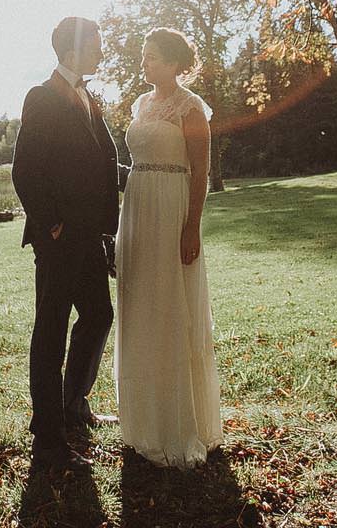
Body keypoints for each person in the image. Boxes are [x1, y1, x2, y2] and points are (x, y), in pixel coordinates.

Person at [11, 15, 125, 475]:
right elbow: (26, 172)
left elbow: (99, 165)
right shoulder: (41, 97)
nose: (102, 51)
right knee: (52, 328)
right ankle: (48, 435)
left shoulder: (88, 97)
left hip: (90, 236)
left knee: (99, 314)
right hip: (59, 239)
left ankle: (74, 402)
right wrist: (53, 224)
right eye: (97, 45)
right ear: (73, 50)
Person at [114, 26, 222, 468]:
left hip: (173, 211)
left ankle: (178, 425)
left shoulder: (191, 108)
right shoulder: (141, 105)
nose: (145, 63)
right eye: (144, 56)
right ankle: (143, 423)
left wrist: (191, 227)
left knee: (171, 310)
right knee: (141, 308)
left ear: (176, 63)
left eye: (153, 57)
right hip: (137, 212)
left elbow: (201, 173)